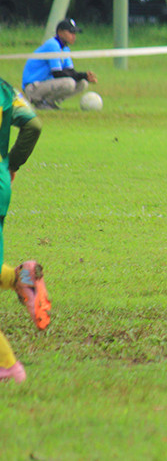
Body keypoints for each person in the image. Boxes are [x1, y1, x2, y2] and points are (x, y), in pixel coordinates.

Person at [0, 78, 49, 383]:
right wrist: (11, 164)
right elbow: (33, 125)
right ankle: (19, 279)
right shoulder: (4, 89)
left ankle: (7, 367)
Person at [21, 18, 97, 110]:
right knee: (69, 83)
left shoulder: (65, 48)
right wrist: (83, 75)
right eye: (71, 32)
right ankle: (42, 103)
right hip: (33, 87)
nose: (74, 36)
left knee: (82, 83)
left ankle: (49, 103)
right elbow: (57, 73)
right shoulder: (52, 45)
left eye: (75, 33)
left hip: (44, 85)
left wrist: (85, 76)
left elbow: (70, 71)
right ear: (60, 32)